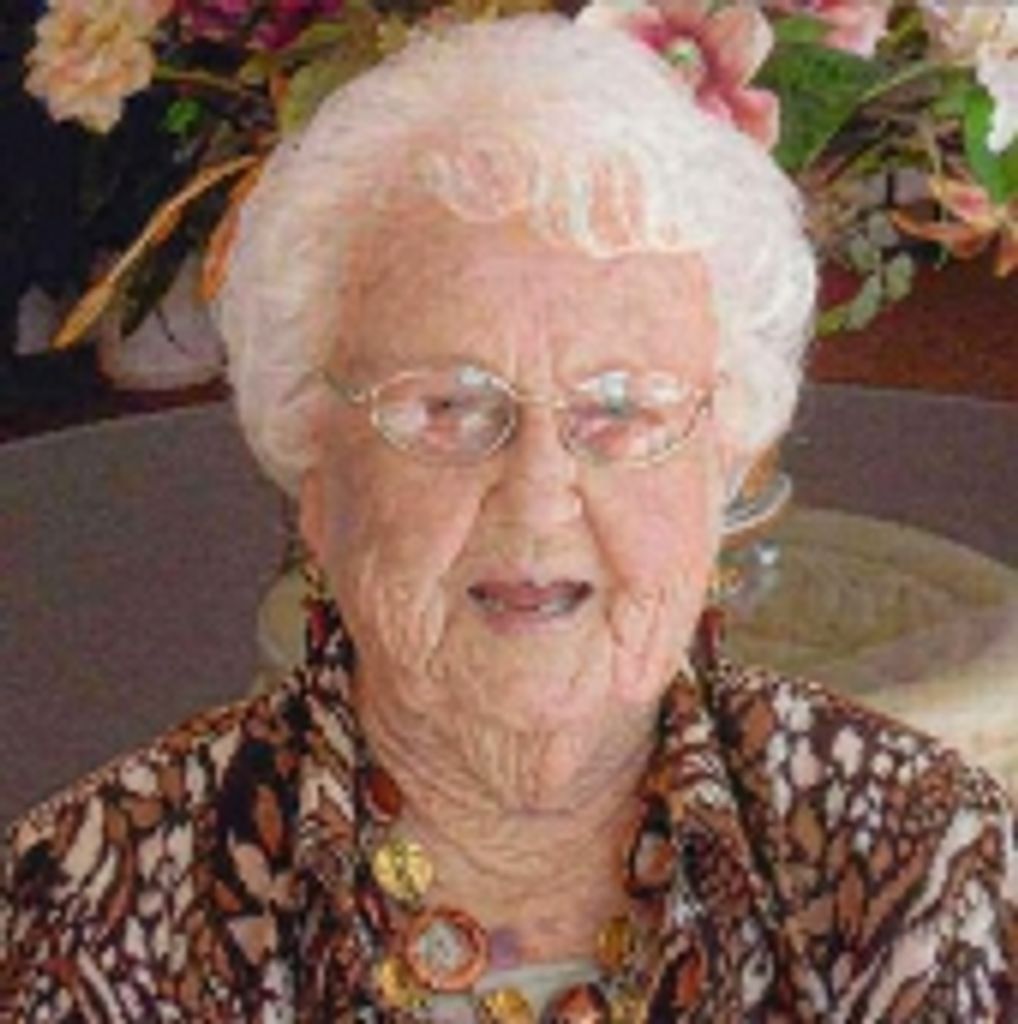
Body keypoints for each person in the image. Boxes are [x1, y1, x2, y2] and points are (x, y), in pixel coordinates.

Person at [1, 14, 1015, 1023]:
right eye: (447, 407)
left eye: (619, 410)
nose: (536, 495)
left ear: (723, 468)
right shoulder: (89, 909)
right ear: (315, 469)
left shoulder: (919, 869)